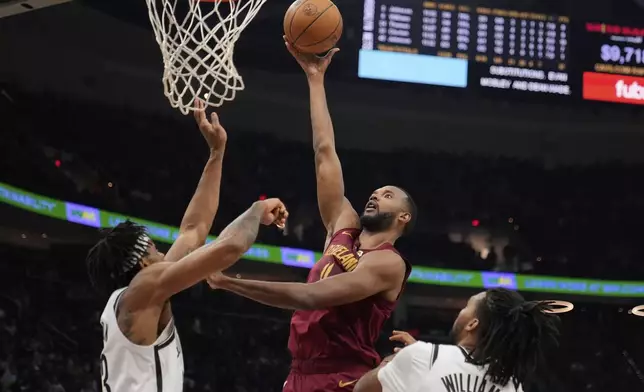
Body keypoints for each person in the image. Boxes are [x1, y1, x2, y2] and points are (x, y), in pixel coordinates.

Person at [205, 37, 417, 392]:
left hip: (345, 377)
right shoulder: (343, 227)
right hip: (299, 374)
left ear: (403, 217)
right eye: (375, 191)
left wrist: (230, 283)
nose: (375, 195)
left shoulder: (389, 264)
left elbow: (312, 296)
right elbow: (324, 153)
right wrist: (315, 80)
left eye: (388, 195)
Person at [86, 99, 289, 392]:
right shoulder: (144, 288)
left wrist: (216, 154)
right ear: (142, 262)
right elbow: (228, 249)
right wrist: (256, 212)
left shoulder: (137, 295)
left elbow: (193, 231)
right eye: (154, 249)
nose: (161, 252)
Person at [353, 289, 561, 392]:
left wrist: (392, 361)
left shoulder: (422, 356)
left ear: (472, 324)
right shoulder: (512, 385)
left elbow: (361, 389)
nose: (460, 312)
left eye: (466, 307)